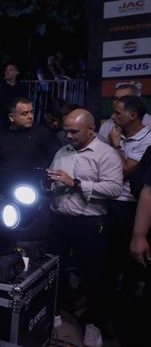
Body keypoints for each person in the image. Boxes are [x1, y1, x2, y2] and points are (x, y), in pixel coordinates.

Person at [46, 109, 123, 347]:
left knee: (93, 276)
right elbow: (53, 177)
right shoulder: (62, 151)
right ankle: (53, 313)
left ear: (91, 129)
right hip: (59, 220)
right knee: (54, 270)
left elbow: (114, 189)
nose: (67, 136)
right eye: (65, 130)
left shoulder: (107, 154)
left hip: (90, 224)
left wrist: (76, 183)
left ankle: (93, 324)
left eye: (73, 131)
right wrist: (49, 182)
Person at [105, 95, 151, 296]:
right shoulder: (115, 132)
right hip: (110, 203)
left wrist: (115, 145)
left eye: (117, 112)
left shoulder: (147, 139)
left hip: (131, 207)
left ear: (132, 115)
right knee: (108, 261)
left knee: (130, 265)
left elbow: (124, 170)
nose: (112, 116)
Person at [0, 98, 61, 197]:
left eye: (31, 112)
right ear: (11, 117)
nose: (30, 116)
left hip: (34, 189)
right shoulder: (0, 136)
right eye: (24, 114)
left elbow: (56, 155)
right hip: (6, 187)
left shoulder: (43, 133)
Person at [0, 63, 28, 133]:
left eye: (10, 70)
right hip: (0, 117)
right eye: (6, 70)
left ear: (17, 73)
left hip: (15, 118)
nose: (7, 72)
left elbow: (22, 102)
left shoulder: (21, 87)